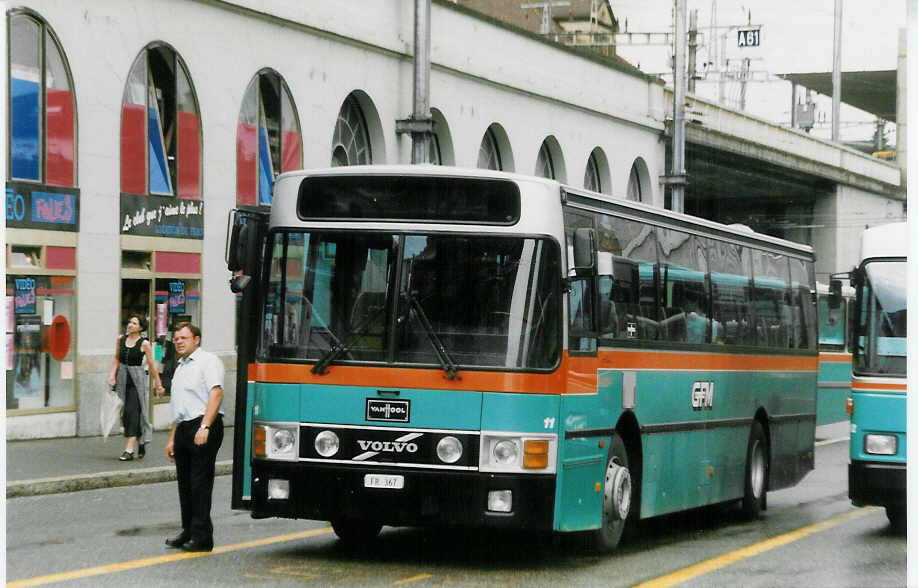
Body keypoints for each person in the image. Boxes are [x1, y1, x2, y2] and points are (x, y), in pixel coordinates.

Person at [164, 322, 225, 553]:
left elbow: (216, 393)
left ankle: (202, 537)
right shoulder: (180, 367)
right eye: (176, 338)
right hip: (184, 427)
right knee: (185, 483)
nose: (179, 341)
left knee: (199, 483)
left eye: (184, 338)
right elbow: (179, 407)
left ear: (196, 340)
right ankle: (188, 530)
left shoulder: (208, 361)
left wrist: (205, 426)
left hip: (203, 424)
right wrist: (172, 438)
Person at [107, 315, 165, 460]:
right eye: (130, 322)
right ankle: (141, 440)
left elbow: (152, 365)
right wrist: (112, 375)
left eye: (134, 323)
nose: (130, 325)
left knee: (132, 412)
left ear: (140, 327)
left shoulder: (144, 343)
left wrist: (158, 385)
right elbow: (116, 358)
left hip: (136, 381)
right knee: (124, 414)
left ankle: (129, 450)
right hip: (122, 378)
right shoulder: (120, 339)